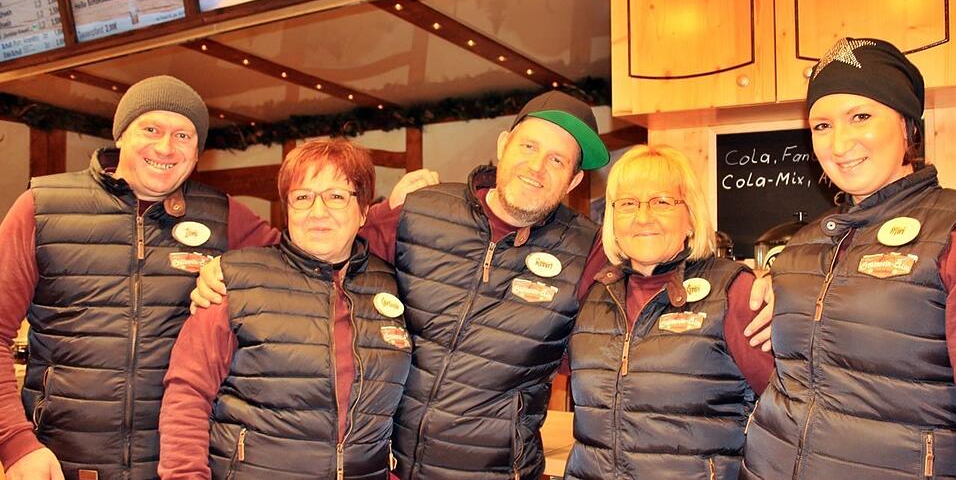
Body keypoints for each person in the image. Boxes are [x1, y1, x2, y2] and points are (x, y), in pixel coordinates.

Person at [192, 90, 775, 479]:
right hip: (395, 465)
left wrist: (754, 280)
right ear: (502, 147)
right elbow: (324, 239)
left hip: (501, 472)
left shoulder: (589, 248)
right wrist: (234, 273)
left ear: (573, 180)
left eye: (557, 161)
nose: (536, 167)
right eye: (529, 147)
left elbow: (657, 260)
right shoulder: (421, 211)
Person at [0, 76, 278, 480]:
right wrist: (16, 444)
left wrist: (393, 209)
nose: (166, 147)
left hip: (180, 467)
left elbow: (304, 259)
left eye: (183, 135)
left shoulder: (222, 215)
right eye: (151, 129)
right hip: (61, 464)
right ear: (121, 136)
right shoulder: (41, 207)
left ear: (197, 151)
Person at [741, 38, 956, 479]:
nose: (839, 144)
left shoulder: (949, 229)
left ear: (907, 126)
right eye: (821, 125)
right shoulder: (802, 247)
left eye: (861, 116)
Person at [158, 140, 410, 479]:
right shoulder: (236, 279)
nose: (318, 212)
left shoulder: (393, 285)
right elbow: (188, 393)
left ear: (363, 210)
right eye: (303, 197)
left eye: (336, 196)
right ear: (287, 209)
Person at [564, 145, 773, 479]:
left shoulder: (733, 291)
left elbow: (791, 407)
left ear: (690, 217)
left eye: (661, 202)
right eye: (628, 203)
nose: (643, 217)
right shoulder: (592, 296)